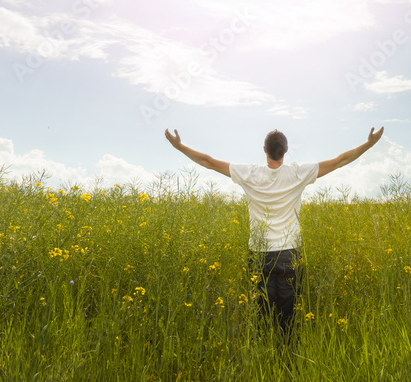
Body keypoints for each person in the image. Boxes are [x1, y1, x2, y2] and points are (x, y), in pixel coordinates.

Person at [164, 126, 384, 344]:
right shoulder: (298, 173)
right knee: (288, 312)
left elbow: (208, 161)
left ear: (264, 150)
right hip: (290, 253)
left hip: (260, 254)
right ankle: (287, 356)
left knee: (261, 312)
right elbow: (339, 161)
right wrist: (369, 144)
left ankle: (263, 352)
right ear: (286, 150)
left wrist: (178, 146)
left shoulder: (249, 173)